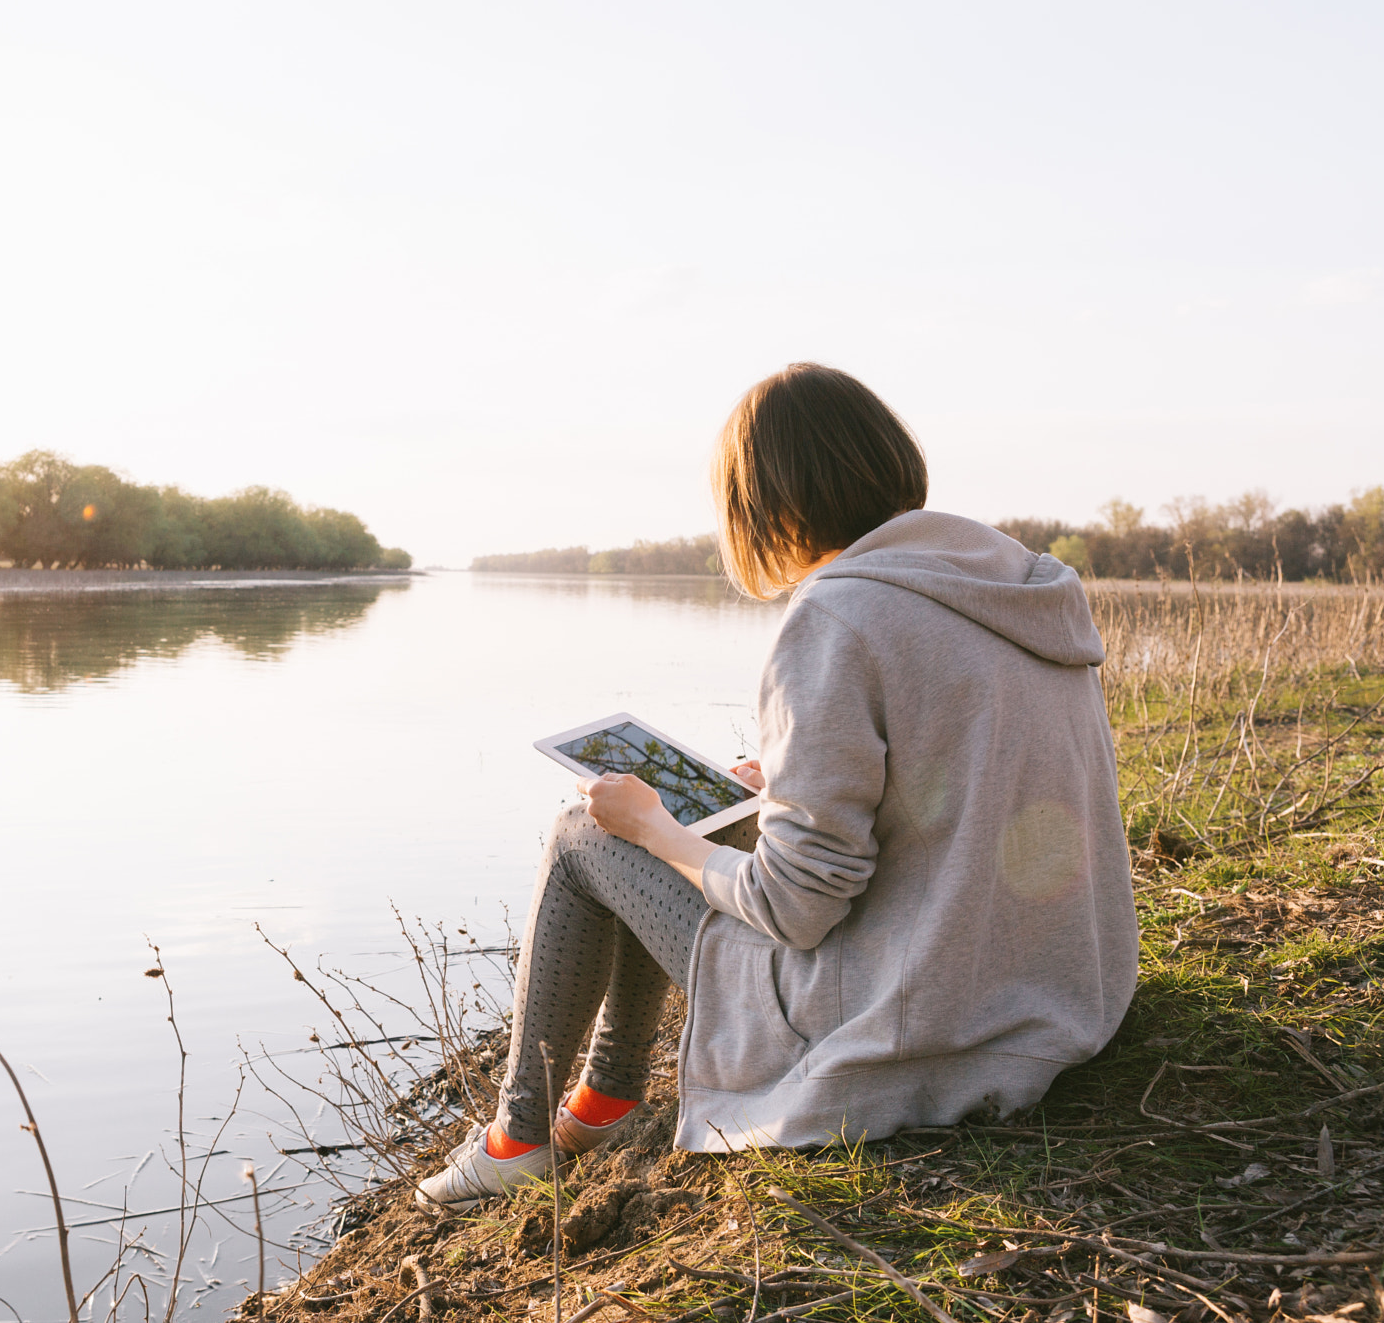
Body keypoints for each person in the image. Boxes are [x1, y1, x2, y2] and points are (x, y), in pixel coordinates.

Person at [417, 363, 1138, 1206]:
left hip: (920, 1024)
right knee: (711, 818)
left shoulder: (837, 614)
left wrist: (655, 827)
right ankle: (605, 1098)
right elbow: (960, 773)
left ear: (770, 504)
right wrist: (786, 783)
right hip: (1054, 993)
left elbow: (797, 909)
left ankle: (517, 1138)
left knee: (585, 832)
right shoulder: (1013, 581)